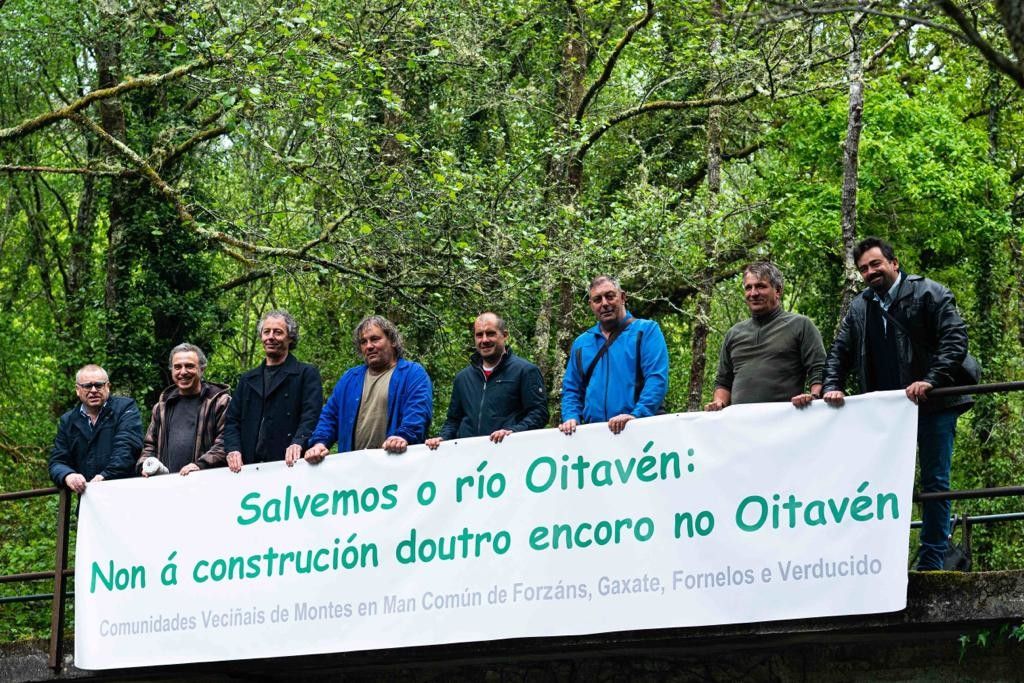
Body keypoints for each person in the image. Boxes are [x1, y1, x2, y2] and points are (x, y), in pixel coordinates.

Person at [822, 237, 972, 571]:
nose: (870, 272)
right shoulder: (861, 307)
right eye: (863, 268)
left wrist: (931, 380)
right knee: (882, 482)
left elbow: (955, 339)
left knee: (935, 480)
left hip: (933, 404)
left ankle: (932, 559)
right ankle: (881, 559)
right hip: (887, 413)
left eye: (875, 264)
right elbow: (839, 351)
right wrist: (832, 386)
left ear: (894, 263)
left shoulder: (929, 293)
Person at [305, 315, 432, 461]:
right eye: (363, 342)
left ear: (393, 341)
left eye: (375, 339)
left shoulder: (412, 373)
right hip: (355, 471)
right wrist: (320, 442)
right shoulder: (350, 378)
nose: (369, 346)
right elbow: (330, 416)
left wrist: (403, 436)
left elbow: (418, 410)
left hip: (398, 464)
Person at [705, 261, 826, 410]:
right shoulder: (734, 333)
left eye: (761, 286)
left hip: (785, 422)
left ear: (778, 291)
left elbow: (818, 368)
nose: (753, 293)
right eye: (748, 287)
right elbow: (723, 382)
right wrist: (719, 403)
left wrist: (813, 399)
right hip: (740, 426)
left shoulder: (800, 325)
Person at [559, 275, 669, 435]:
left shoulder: (646, 331)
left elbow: (656, 378)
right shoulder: (581, 343)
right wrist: (571, 417)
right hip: (596, 436)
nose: (604, 303)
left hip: (639, 429)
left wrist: (637, 415)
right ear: (591, 305)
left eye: (610, 296)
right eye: (597, 299)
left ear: (623, 297)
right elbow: (572, 389)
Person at [426, 313, 547, 449]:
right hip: (468, 457)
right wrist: (443, 438)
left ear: (505, 335)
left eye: (490, 333)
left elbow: (539, 413)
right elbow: (453, 420)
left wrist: (513, 432)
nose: (484, 340)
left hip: (509, 454)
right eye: (479, 335)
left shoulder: (525, 371)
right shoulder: (463, 378)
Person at [223, 310, 323, 472]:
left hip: (291, 466)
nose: (271, 337)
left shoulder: (306, 374)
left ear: (290, 337)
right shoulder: (247, 379)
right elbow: (232, 421)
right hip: (248, 468)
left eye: (278, 332)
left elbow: (311, 415)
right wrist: (233, 449)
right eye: (266, 332)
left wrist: (298, 442)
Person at [138, 343, 231, 476]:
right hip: (168, 486)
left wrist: (200, 465)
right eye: (177, 367)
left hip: (207, 483)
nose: (183, 372)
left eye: (189, 366)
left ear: (202, 369)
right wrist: (145, 465)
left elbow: (226, 441)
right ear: (172, 370)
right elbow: (149, 445)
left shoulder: (219, 402)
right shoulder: (162, 406)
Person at [48, 364, 143, 493]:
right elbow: (57, 461)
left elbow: (127, 446)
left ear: (108, 387)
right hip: (89, 500)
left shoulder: (125, 408)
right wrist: (68, 475)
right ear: (77, 390)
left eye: (98, 385)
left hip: (125, 493)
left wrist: (105, 476)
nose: (93, 390)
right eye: (87, 386)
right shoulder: (68, 421)